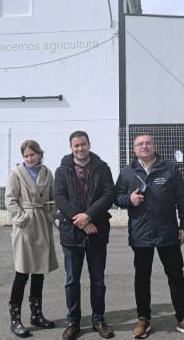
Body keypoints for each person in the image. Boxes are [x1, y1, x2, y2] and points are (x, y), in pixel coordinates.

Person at [115, 134, 184, 339]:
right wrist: (129, 199)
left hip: (167, 233)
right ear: (134, 149)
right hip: (140, 233)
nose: (144, 146)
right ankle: (143, 319)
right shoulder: (127, 172)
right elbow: (116, 197)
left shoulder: (169, 169)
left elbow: (182, 198)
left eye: (148, 143)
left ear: (154, 146)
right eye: (140, 144)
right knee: (142, 277)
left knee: (176, 276)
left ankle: (183, 318)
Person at [54, 131, 116, 340]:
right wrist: (81, 221)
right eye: (76, 145)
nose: (80, 148)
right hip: (71, 234)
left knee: (98, 279)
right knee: (72, 281)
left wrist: (89, 216)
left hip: (97, 231)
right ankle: (73, 322)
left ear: (89, 145)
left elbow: (109, 194)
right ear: (71, 148)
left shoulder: (102, 167)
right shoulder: (62, 170)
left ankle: (98, 320)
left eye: (83, 144)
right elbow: (60, 198)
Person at [5, 140, 59, 338]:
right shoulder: (16, 174)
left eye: (32, 154)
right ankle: (15, 319)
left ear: (39, 154)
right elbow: (10, 199)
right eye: (26, 155)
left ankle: (36, 315)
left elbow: (52, 197)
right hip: (25, 227)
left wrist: (53, 217)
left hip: (42, 224)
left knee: (39, 272)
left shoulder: (47, 173)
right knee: (22, 272)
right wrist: (22, 219)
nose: (29, 158)